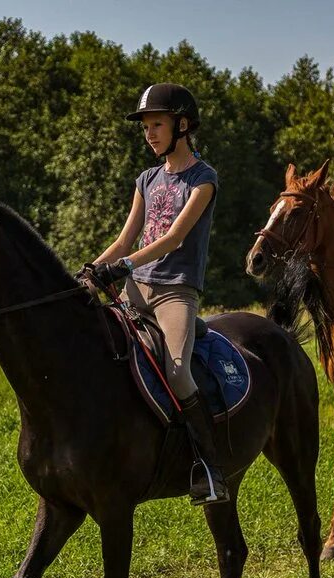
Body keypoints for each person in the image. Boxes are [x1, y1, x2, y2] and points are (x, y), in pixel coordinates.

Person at [88, 83, 228, 504]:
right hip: (134, 289)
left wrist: (124, 265)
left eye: (157, 125)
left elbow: (173, 238)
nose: (149, 134)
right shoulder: (146, 179)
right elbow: (125, 237)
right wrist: (91, 270)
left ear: (182, 125)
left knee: (179, 372)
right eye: (146, 127)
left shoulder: (204, 179)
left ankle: (210, 469)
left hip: (173, 294)